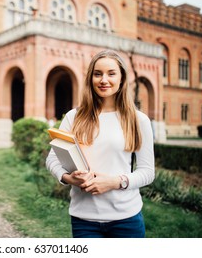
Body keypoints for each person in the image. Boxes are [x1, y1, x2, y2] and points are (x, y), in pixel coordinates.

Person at [46, 49, 155, 238]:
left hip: (126, 219)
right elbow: (52, 159)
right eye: (98, 74)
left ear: (122, 79)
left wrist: (114, 182)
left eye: (111, 73)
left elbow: (147, 172)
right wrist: (68, 178)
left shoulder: (139, 120)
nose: (104, 80)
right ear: (90, 79)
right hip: (84, 221)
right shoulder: (74, 117)